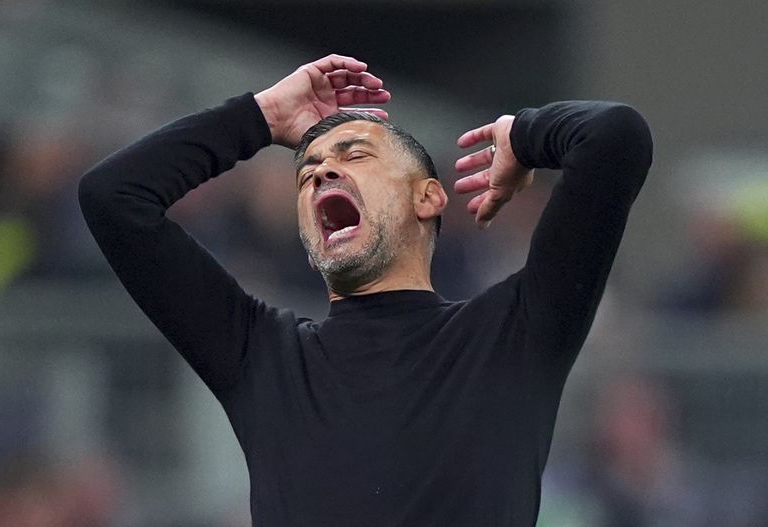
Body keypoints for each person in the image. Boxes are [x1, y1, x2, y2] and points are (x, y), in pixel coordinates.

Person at [78, 54, 652, 526]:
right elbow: (114, 198)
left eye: (355, 154)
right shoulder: (262, 355)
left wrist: (523, 136)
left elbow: (615, 137)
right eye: (307, 173)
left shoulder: (512, 335)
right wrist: (263, 116)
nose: (323, 172)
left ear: (428, 197)